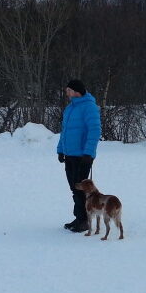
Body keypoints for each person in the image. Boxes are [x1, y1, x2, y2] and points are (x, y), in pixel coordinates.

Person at [57, 79, 101, 233]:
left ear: (76, 91)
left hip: (82, 156)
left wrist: (88, 153)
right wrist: (60, 149)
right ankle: (79, 217)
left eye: (68, 90)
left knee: (81, 188)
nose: (66, 93)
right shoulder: (70, 108)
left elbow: (94, 131)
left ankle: (84, 221)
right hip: (69, 154)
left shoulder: (89, 107)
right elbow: (64, 131)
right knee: (74, 187)